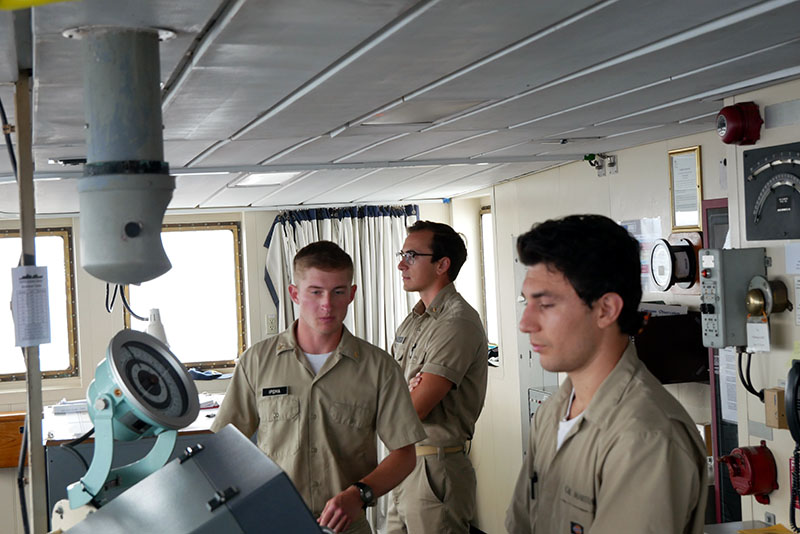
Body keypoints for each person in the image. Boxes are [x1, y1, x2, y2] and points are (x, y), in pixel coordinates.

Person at [505, 214, 708, 534]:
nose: (525, 323)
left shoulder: (644, 437)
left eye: (544, 305)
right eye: (526, 303)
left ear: (606, 309)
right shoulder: (552, 413)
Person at [212, 241, 426, 534]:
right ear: (295, 294)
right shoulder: (256, 362)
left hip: (346, 527)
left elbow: (404, 454)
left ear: (351, 295)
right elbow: (222, 446)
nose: (327, 305)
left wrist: (359, 494)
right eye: (315, 292)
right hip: (273, 524)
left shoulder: (379, 368)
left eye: (338, 292)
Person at [386, 220, 488, 534]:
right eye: (402, 254)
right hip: (404, 463)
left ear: (442, 264)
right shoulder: (415, 320)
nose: (402, 264)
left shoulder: (457, 323)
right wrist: (403, 390)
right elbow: (384, 389)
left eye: (412, 256)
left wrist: (399, 395)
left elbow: (414, 410)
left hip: (434, 469)